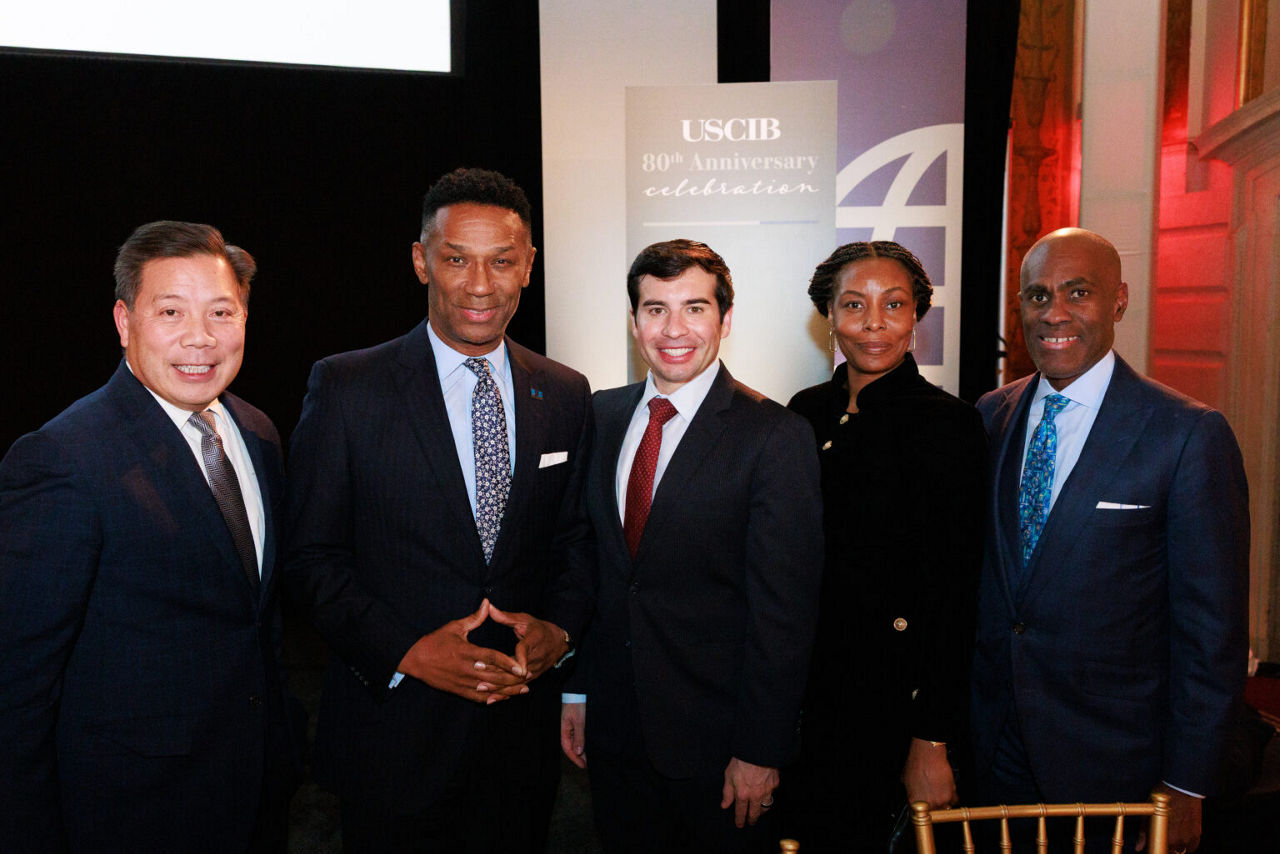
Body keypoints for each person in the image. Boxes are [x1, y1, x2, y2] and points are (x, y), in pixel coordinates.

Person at [284, 168, 593, 852]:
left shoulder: (567, 393)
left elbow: (574, 541)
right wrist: (406, 652)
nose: (480, 284)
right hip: (393, 737)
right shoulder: (347, 386)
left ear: (529, 265)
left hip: (518, 743)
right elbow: (309, 557)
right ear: (422, 261)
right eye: (456, 260)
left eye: (501, 261)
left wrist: (562, 631)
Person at [0, 221, 299, 852]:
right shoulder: (63, 459)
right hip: (129, 813)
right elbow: (18, 686)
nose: (200, 337)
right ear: (123, 321)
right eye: (171, 312)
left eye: (221, 312)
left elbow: (255, 619)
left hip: (255, 794)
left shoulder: (258, 433)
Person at [971, 227, 1249, 853]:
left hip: (1118, 769)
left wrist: (1188, 783)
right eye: (1037, 296)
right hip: (994, 753)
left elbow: (1213, 632)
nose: (1054, 313)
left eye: (1078, 292)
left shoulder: (1186, 434)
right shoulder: (989, 416)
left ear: (1119, 301)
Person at [559, 239, 823, 853]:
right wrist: (577, 689)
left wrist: (761, 749)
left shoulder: (775, 436)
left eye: (695, 308)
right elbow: (594, 568)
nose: (673, 329)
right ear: (634, 321)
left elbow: (784, 613)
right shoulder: (599, 416)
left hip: (719, 750)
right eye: (656, 309)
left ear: (725, 320)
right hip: (615, 736)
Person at [784, 241, 987, 848]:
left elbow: (957, 594)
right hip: (804, 694)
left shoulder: (950, 425)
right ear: (828, 315)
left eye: (893, 305)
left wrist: (932, 738)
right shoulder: (803, 414)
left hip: (893, 704)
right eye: (854, 304)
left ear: (916, 315)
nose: (874, 323)